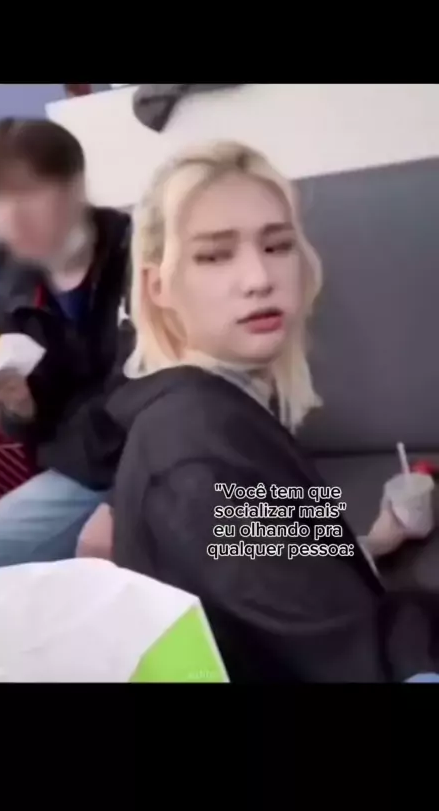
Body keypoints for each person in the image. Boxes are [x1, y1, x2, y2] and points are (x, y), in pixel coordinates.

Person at [103, 140, 439, 682]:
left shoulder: (219, 411)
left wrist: (375, 544)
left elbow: (281, 578)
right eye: (215, 255)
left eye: (277, 246)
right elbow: (361, 661)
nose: (259, 278)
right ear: (158, 286)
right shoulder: (198, 454)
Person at [0, 117, 132, 572]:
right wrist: (19, 405)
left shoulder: (142, 256)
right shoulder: (10, 286)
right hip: (79, 473)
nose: (12, 216)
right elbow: (31, 428)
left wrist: (119, 504)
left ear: (75, 187)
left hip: (156, 463)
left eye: (29, 192)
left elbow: (176, 393)